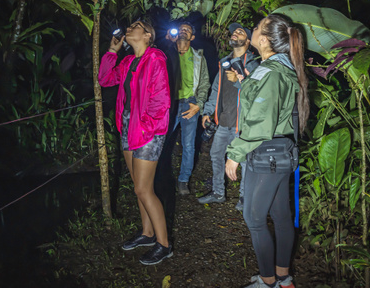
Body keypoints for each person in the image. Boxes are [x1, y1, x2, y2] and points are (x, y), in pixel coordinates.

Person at [225, 15, 309, 288]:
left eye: (257, 25)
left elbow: (260, 121)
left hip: (266, 154)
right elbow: (264, 103)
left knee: (254, 218)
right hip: (280, 152)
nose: (252, 27)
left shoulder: (272, 72)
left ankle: (268, 280)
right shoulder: (275, 68)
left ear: (263, 39)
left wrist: (235, 154)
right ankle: (283, 279)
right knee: (281, 217)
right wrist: (244, 82)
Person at [98, 20, 173, 265]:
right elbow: (105, 79)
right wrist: (112, 52)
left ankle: (164, 245)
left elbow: (161, 101)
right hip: (128, 126)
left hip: (148, 129)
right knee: (137, 186)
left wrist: (147, 128)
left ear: (148, 35)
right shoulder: (128, 62)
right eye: (129, 26)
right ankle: (147, 233)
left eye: (136, 26)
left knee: (143, 189)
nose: (129, 28)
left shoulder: (156, 59)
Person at [197, 22, 259, 210]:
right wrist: (207, 112)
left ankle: (244, 198)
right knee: (216, 155)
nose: (235, 34)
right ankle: (218, 192)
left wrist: (240, 81)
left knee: (245, 161)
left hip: (242, 124)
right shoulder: (224, 62)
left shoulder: (254, 64)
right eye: (233, 32)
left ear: (248, 41)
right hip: (223, 121)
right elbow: (216, 89)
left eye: (240, 32)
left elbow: (258, 93)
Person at [164, 22, 210, 195]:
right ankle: (158, 174)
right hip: (169, 103)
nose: (183, 31)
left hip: (190, 103)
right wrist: (167, 42)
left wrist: (199, 104)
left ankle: (183, 180)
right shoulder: (167, 53)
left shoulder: (199, 57)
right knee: (162, 140)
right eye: (181, 28)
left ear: (192, 37)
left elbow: (205, 82)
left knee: (188, 144)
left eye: (187, 30)